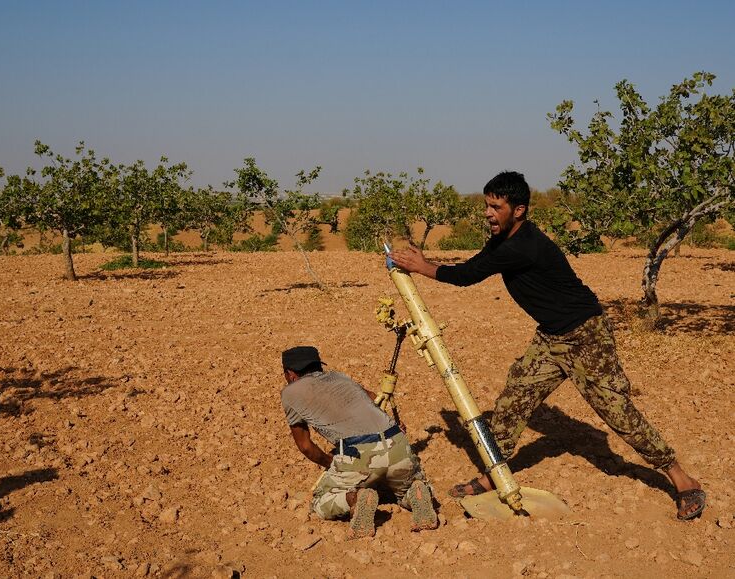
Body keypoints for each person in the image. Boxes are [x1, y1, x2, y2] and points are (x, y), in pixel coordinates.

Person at [390, 171, 705, 521]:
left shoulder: (523, 245)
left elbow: (467, 276)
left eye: (496, 206)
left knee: (618, 413)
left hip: (585, 336)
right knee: (514, 399)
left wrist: (422, 267)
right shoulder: (503, 238)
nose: (488, 213)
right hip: (550, 337)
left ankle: (681, 478)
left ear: (519, 210)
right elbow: (475, 264)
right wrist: (427, 262)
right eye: (486, 205)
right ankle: (493, 474)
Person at [280, 345, 439, 538]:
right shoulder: (339, 377)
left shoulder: (290, 393)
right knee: (404, 488)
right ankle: (414, 493)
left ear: (290, 374)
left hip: (360, 455)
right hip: (397, 443)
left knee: (320, 502)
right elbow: (374, 398)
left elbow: (305, 446)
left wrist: (330, 462)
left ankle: (354, 498)